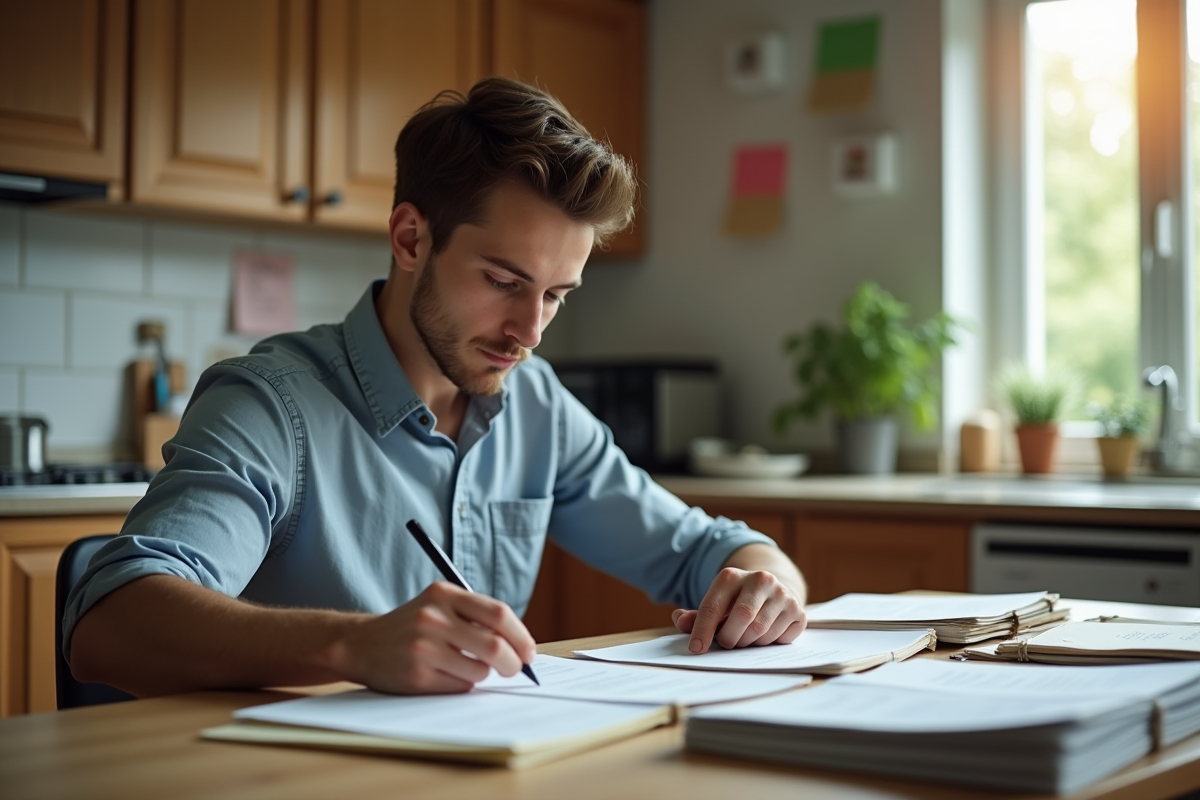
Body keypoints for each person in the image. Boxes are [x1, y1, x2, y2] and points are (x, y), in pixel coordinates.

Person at [64, 77, 807, 697]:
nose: (531, 330)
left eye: (556, 295)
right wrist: (352, 647)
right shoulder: (271, 404)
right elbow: (109, 624)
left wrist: (767, 585)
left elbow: (711, 550)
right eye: (504, 282)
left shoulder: (536, 404)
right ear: (411, 239)